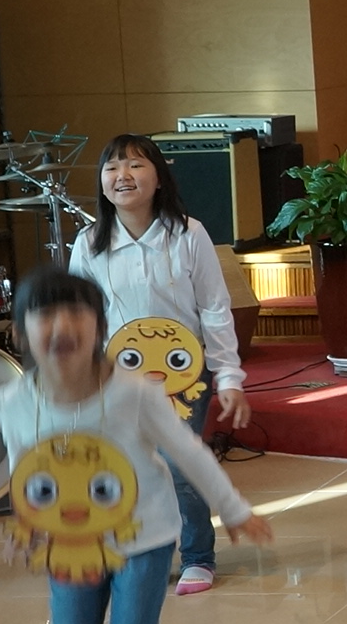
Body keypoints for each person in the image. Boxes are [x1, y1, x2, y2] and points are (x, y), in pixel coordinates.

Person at [0, 267, 272, 624]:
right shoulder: (11, 402)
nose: (62, 325)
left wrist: (234, 509)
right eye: (45, 314)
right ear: (19, 333)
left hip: (144, 537)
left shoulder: (134, 393)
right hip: (72, 544)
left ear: (100, 329)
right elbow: (25, 468)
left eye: (77, 313)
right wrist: (27, 520)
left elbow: (188, 451)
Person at [66, 134, 249, 597]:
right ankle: (139, 552)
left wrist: (228, 375)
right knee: (124, 465)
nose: (122, 176)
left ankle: (198, 556)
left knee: (178, 462)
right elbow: (79, 317)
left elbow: (214, 309)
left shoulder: (189, 234)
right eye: (112, 168)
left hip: (182, 378)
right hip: (115, 377)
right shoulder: (88, 243)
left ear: (159, 178)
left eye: (135, 165)